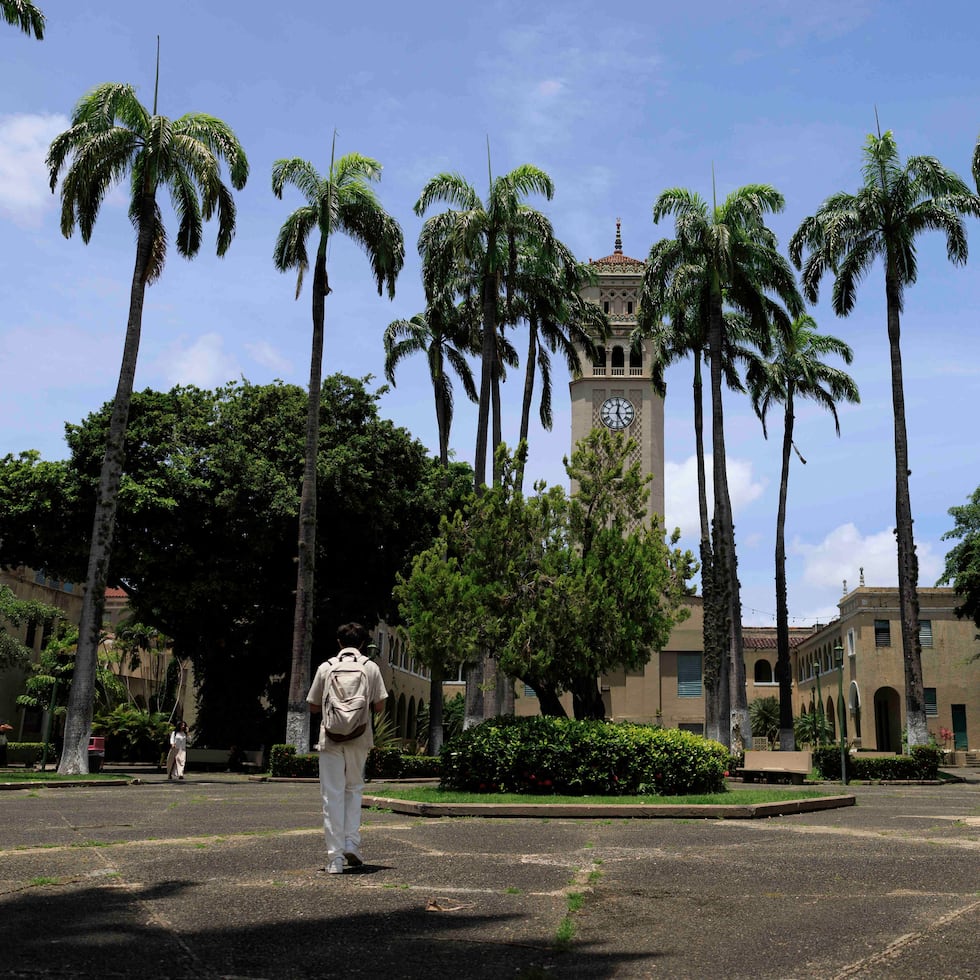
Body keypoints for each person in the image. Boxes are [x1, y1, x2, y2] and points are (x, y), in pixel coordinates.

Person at [307, 622, 387, 874]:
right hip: (359, 738)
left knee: (331, 796)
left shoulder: (326, 667)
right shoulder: (370, 667)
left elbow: (312, 705)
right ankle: (351, 842)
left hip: (330, 739)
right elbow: (379, 706)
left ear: (339, 642)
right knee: (354, 790)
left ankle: (335, 859)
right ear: (363, 643)